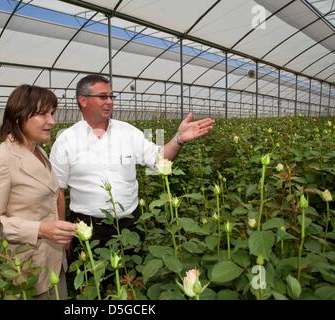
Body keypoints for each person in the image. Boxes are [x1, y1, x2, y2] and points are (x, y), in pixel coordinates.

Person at [49, 74, 215, 247]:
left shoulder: (128, 132)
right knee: (91, 273)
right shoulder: (66, 140)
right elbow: (58, 191)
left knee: (132, 273)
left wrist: (179, 139)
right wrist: (64, 235)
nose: (110, 101)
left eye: (111, 96)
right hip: (86, 228)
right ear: (83, 100)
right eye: (103, 96)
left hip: (129, 225)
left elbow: (158, 161)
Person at [0, 84, 77, 299]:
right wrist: (41, 229)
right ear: (18, 117)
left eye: (52, 113)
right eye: (42, 114)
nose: (51, 121)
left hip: (52, 260)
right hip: (24, 270)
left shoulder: (39, 152)